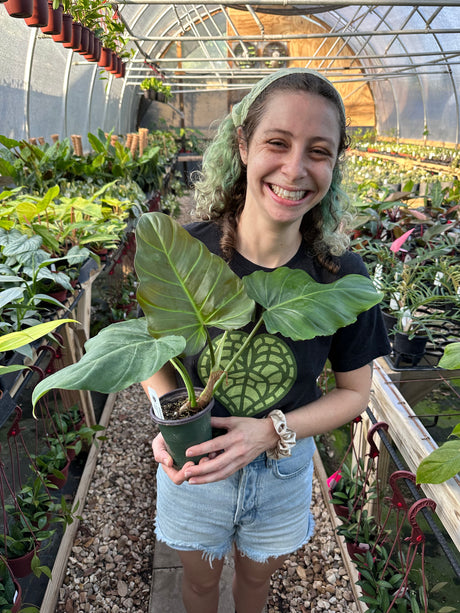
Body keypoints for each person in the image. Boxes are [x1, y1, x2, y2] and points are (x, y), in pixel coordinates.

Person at [141, 67, 391, 613]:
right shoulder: (189, 255)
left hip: (283, 469)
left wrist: (271, 430)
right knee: (201, 585)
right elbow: (149, 351)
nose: (295, 168)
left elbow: (354, 393)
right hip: (197, 464)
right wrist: (170, 416)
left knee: (256, 585)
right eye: (277, 143)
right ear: (243, 145)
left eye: (319, 151)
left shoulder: (340, 276)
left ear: (335, 164)